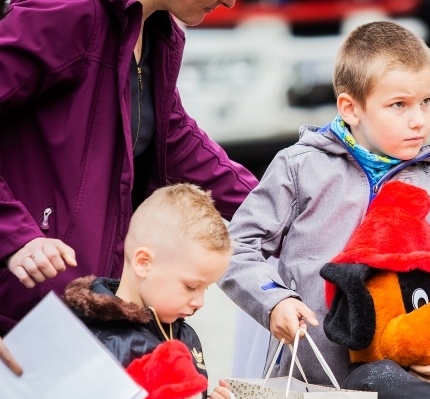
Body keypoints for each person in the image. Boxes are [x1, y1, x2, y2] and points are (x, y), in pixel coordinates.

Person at [219, 20, 430, 395]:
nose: (419, 120)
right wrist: (273, 299)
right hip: (308, 387)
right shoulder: (299, 168)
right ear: (351, 108)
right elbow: (236, 247)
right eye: (399, 105)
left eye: (427, 101)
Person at [0, 0, 258, 336]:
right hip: (23, 306)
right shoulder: (70, 12)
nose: (230, 2)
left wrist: (275, 211)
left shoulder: (158, 34)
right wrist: (15, 235)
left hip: (89, 307)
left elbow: (174, 136)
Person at [55, 183, 234, 399]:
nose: (199, 302)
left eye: (206, 289)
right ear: (143, 262)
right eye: (190, 286)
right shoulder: (95, 335)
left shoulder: (185, 335)